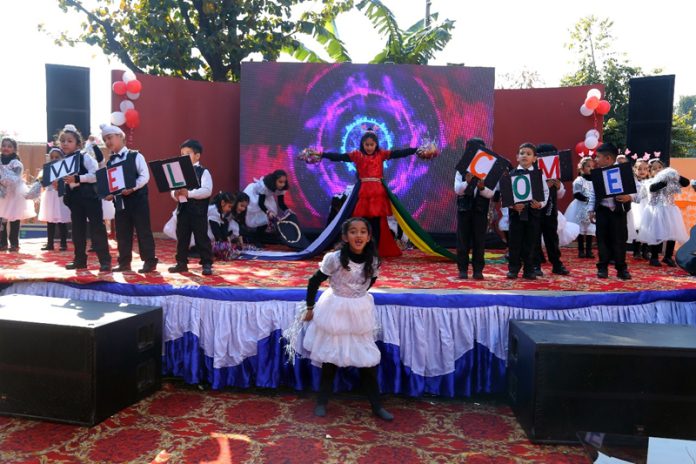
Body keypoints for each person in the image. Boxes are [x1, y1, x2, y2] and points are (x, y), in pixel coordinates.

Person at [292, 217, 392, 421]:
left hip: (360, 313)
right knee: (331, 359)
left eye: (363, 231)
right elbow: (313, 281)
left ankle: (376, 406)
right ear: (345, 237)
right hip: (335, 310)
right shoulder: (334, 259)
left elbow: (369, 283)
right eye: (353, 231)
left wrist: (356, 301)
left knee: (367, 362)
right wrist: (310, 307)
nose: (358, 235)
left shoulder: (372, 260)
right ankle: (321, 402)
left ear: (369, 236)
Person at [305, 129, 432, 257]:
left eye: (372, 144)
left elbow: (398, 153)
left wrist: (416, 150)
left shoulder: (381, 154)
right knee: (362, 222)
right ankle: (362, 249)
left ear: (376, 144)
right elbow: (339, 157)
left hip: (378, 193)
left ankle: (374, 250)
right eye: (367, 144)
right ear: (362, 144)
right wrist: (322, 155)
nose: (370, 147)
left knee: (376, 223)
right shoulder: (357, 155)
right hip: (364, 193)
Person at [102, 124, 158, 273]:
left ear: (120, 137)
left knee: (143, 230)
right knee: (122, 232)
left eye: (109, 138)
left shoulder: (136, 155)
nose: (107, 142)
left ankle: (149, 261)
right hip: (120, 201)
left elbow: (144, 176)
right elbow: (112, 184)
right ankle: (124, 262)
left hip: (138, 199)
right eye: (104, 140)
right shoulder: (110, 162)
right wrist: (110, 194)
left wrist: (133, 188)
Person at [60, 125, 112, 271]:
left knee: (97, 228)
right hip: (75, 199)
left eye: (69, 141)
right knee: (77, 230)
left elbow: (96, 175)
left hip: (89, 196)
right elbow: (66, 181)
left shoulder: (85, 157)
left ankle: (105, 261)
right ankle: (80, 260)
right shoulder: (63, 162)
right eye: (63, 141)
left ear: (78, 144)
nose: (65, 143)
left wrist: (77, 178)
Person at [588, 143, 633, 280]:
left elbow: (638, 191)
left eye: (598, 157)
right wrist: (591, 210)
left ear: (608, 158)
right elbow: (592, 194)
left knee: (619, 240)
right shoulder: (596, 175)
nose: (595, 160)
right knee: (602, 240)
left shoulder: (624, 172)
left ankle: (621, 268)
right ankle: (602, 268)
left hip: (619, 212)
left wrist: (629, 197)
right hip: (602, 211)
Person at [168, 139, 213, 275]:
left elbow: (207, 190)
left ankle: (206, 263)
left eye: (188, 153)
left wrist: (189, 193)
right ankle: (181, 263)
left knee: (201, 238)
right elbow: (173, 190)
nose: (184, 156)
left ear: (197, 156)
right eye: (182, 154)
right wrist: (175, 194)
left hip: (198, 211)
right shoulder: (178, 171)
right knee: (182, 237)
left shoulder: (203, 172)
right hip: (183, 210)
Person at [506, 143, 548, 280]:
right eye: (522, 153)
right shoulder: (510, 174)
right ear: (517, 157)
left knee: (531, 242)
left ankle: (529, 269)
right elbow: (505, 195)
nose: (525, 156)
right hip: (516, 215)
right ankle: (513, 269)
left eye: (528, 154)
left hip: (532, 214)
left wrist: (540, 204)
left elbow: (545, 192)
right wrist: (512, 205)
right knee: (514, 242)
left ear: (534, 158)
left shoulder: (538, 175)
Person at [637, 158, 690, 267]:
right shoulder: (649, 182)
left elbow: (686, 183)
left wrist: (674, 174)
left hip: (670, 210)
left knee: (672, 233)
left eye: (660, 168)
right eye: (654, 169)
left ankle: (668, 257)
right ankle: (654, 257)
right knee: (657, 233)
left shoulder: (671, 179)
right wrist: (665, 179)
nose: (658, 170)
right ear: (650, 171)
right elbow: (653, 188)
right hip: (655, 211)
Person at [454, 138, 494, 280]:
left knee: (479, 241)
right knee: (463, 241)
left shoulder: (489, 170)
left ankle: (478, 270)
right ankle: (463, 270)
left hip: (480, 210)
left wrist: (482, 188)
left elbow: (490, 193)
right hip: (464, 209)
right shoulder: (461, 169)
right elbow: (457, 190)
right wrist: (467, 182)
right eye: (472, 149)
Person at [532, 143, 570, 276]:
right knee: (534, 238)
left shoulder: (555, 173)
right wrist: (544, 186)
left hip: (550, 210)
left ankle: (556, 264)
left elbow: (561, 194)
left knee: (552, 238)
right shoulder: (532, 171)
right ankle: (535, 264)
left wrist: (558, 186)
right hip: (535, 210)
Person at [0, 137, 36, 251]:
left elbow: (14, 178)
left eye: (9, 146)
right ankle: (2, 243)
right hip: (1, 193)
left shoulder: (16, 163)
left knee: (14, 219)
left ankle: (14, 243)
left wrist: (3, 180)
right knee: (1, 218)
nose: (6, 148)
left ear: (15, 149)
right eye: (4, 145)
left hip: (14, 193)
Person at [243, 169, 289, 246]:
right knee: (262, 216)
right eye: (280, 182)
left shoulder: (281, 189)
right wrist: (268, 212)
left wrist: (287, 210)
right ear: (274, 180)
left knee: (265, 219)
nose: (282, 184)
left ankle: (257, 239)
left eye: (284, 182)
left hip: (266, 198)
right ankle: (254, 239)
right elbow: (260, 203)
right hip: (254, 196)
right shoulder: (264, 187)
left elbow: (281, 203)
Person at [38, 147, 71, 251]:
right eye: (52, 157)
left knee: (61, 221)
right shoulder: (46, 170)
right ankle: (50, 243)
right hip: (49, 197)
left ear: (62, 158)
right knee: (50, 221)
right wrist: (41, 180)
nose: (54, 159)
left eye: (57, 157)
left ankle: (63, 243)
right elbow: (43, 183)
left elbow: (66, 182)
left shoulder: (64, 169)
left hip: (60, 197)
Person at [565, 156, 596, 258]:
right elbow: (577, 194)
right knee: (581, 229)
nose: (591, 168)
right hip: (581, 207)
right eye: (588, 166)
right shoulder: (579, 180)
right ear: (582, 168)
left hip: (591, 207)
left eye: (592, 166)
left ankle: (589, 250)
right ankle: (581, 250)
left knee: (590, 229)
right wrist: (587, 199)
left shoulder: (595, 180)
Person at [630, 159, 650, 259]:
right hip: (637, 207)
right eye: (639, 169)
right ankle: (636, 251)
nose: (642, 171)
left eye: (645, 169)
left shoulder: (650, 182)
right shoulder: (633, 182)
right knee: (637, 228)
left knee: (647, 228)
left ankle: (645, 251)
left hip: (647, 206)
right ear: (635, 169)